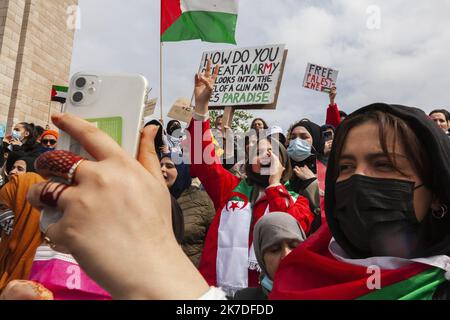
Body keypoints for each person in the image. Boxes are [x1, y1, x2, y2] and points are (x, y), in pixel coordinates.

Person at [270, 103, 450, 299]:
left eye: (383, 164)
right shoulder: (299, 275)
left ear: (436, 192)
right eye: (346, 166)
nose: (358, 177)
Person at [187, 61, 314, 295]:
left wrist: (275, 186)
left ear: (283, 164)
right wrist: (201, 107)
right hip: (218, 293)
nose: (264, 155)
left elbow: (285, 233)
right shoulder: (231, 188)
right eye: (258, 151)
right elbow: (200, 156)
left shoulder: (299, 202)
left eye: (271, 152)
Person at [0, 173, 110, 300]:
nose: (2, 215)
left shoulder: (47, 261)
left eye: (4, 208)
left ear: (25, 209)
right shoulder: (7, 250)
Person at [234, 212, 306, 300]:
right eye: (275, 249)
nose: (286, 255)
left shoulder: (323, 291)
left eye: (293, 246)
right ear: (261, 258)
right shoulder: (244, 298)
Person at [160, 154, 215, 267]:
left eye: (169, 166)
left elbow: (214, 243)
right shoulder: (151, 197)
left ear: (181, 172)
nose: (162, 169)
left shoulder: (203, 200)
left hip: (191, 275)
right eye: (160, 165)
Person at [286, 119, 326, 229]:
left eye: (304, 137)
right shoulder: (282, 170)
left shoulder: (330, 169)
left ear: (316, 140)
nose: (297, 141)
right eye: (293, 137)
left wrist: (312, 183)